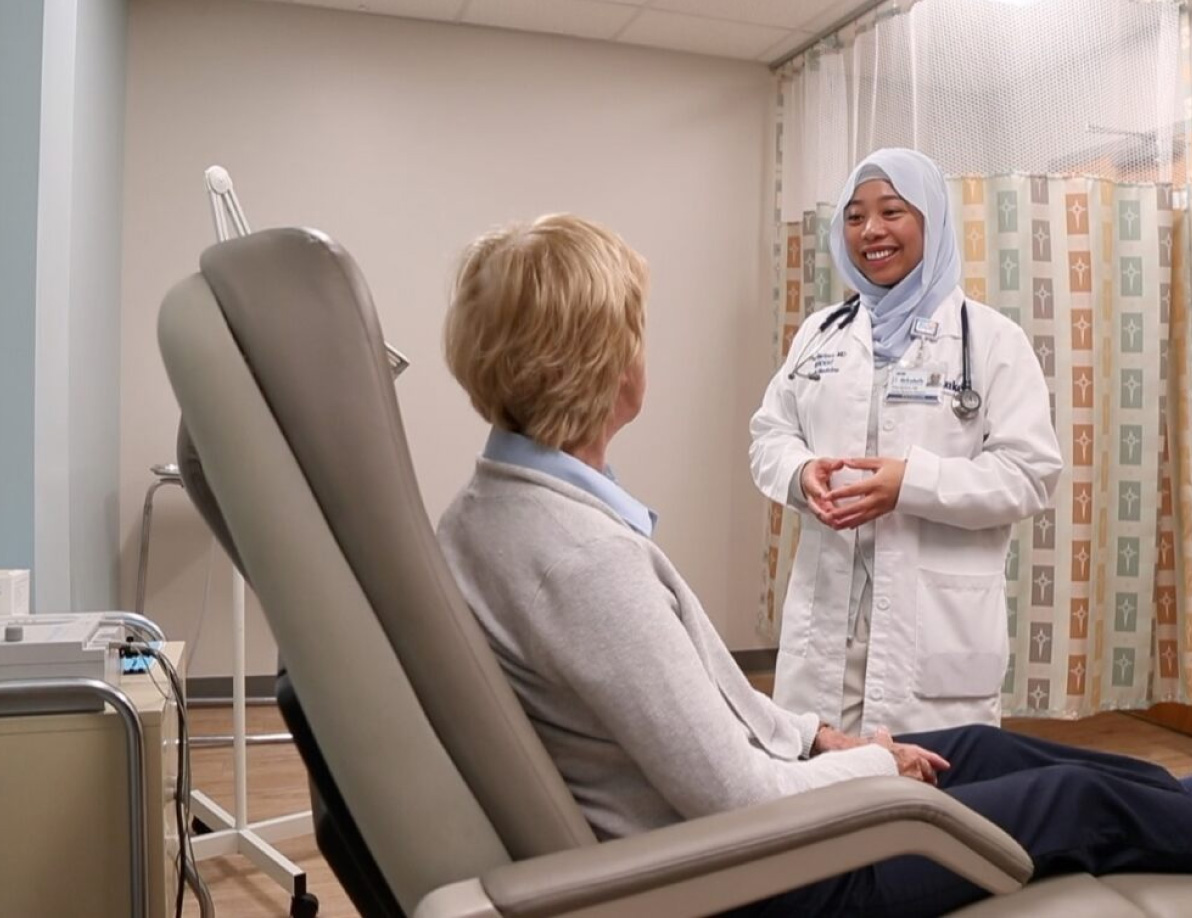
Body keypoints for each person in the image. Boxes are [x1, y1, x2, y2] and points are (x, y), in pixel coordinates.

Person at [436, 212, 1192, 917]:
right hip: (778, 873)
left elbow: (703, 712)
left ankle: (1174, 801)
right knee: (1075, 798)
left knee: (988, 748)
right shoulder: (583, 560)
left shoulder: (486, 512)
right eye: (635, 331)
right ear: (605, 365)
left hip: (754, 818)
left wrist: (819, 738)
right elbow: (739, 798)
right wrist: (874, 768)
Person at [750, 148, 1064, 736]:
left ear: (932, 220)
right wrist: (800, 471)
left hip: (935, 636)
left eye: (892, 211)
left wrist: (911, 485)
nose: (871, 230)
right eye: (854, 216)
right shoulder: (820, 335)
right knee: (816, 794)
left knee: (932, 809)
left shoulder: (993, 342)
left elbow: (1029, 474)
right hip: (826, 633)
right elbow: (770, 433)